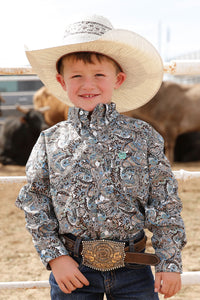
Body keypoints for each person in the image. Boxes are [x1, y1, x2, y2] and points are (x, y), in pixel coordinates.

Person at [16, 14, 186, 299]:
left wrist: (170, 261)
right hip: (73, 269)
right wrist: (56, 258)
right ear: (62, 81)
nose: (87, 84)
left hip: (134, 269)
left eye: (98, 75)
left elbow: (165, 200)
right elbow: (35, 201)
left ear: (118, 79)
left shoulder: (143, 136)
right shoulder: (49, 140)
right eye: (76, 76)